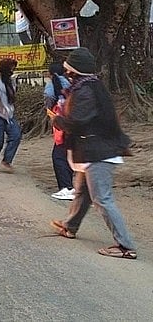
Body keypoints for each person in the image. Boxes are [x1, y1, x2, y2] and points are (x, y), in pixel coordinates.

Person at [49, 47, 136, 259]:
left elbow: (77, 121)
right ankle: (70, 226)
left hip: (98, 153)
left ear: (74, 71)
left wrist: (56, 119)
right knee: (83, 192)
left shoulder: (84, 91)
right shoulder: (90, 86)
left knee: (102, 199)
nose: (66, 75)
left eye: (68, 71)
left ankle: (126, 247)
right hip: (94, 150)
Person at [44, 62, 74, 200]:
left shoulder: (50, 86)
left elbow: (48, 102)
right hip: (74, 122)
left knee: (58, 156)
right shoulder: (70, 83)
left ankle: (66, 187)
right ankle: (70, 186)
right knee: (68, 154)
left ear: (50, 73)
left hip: (60, 124)